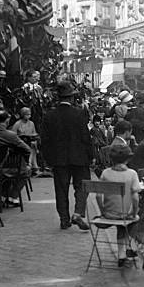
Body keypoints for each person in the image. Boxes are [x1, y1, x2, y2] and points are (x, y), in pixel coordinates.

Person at [41, 82, 92, 230]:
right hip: (79, 157)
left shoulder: (49, 116)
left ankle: (64, 219)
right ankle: (78, 213)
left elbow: (45, 140)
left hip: (59, 160)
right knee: (82, 186)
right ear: (71, 98)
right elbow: (86, 137)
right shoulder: (79, 114)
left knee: (61, 189)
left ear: (58, 98)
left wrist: (48, 160)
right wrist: (90, 156)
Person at [96, 145, 140, 267]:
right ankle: (129, 247)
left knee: (122, 223)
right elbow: (136, 198)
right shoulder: (132, 174)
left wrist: (103, 211)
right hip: (125, 215)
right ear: (127, 159)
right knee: (134, 219)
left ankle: (122, 253)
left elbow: (98, 196)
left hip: (109, 214)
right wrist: (134, 213)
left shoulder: (105, 173)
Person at [11, 107, 39, 174]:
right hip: (20, 142)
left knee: (33, 144)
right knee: (27, 146)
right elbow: (13, 135)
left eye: (29, 114)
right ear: (23, 115)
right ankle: (29, 166)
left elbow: (34, 133)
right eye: (27, 114)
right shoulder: (17, 124)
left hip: (30, 141)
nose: (28, 116)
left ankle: (33, 165)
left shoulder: (31, 123)